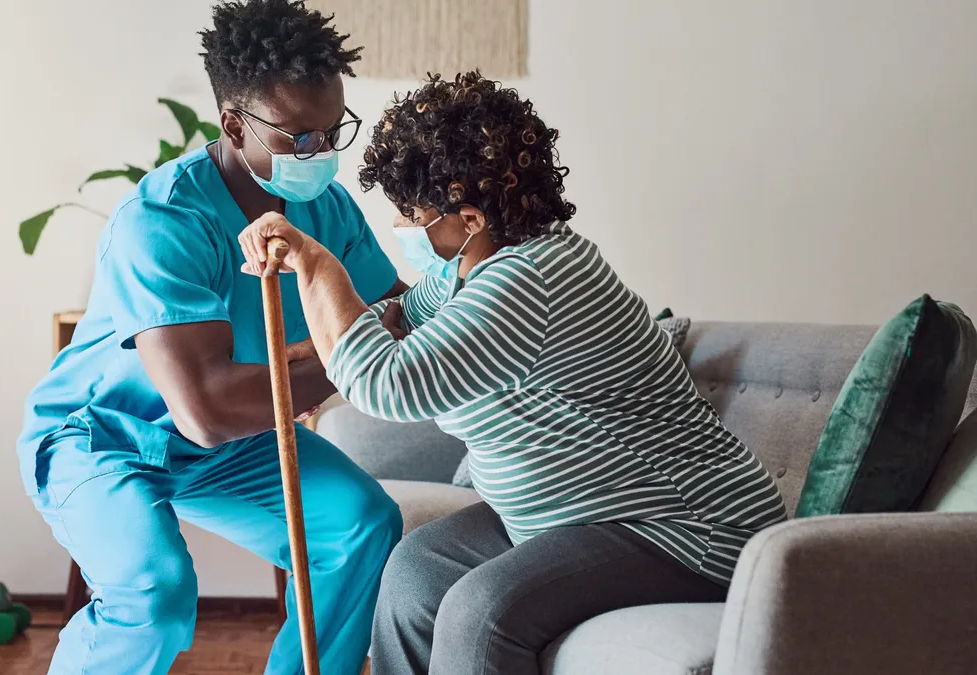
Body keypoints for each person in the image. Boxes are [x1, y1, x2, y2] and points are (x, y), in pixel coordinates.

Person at [238, 71, 788, 675]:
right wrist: (310, 350)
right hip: (573, 518)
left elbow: (387, 384)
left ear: (470, 218)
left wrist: (319, 268)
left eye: (414, 212)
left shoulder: (530, 278)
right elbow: (400, 319)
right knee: (415, 571)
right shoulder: (472, 269)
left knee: (482, 613)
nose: (404, 226)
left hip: (683, 528)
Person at [16, 2, 408, 673]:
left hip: (228, 448)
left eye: (332, 130)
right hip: (103, 436)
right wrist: (351, 359)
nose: (320, 153)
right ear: (233, 124)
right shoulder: (165, 218)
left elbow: (395, 309)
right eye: (297, 138)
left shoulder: (327, 208)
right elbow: (207, 408)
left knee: (361, 525)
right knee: (157, 595)